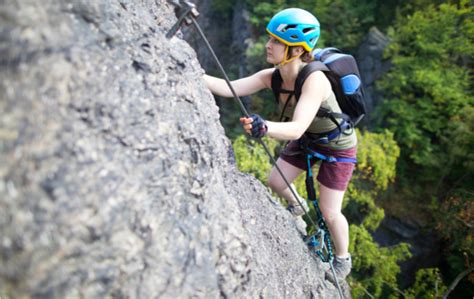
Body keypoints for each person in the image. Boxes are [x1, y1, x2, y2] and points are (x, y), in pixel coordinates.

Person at [203, 8, 356, 284]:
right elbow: (230, 88)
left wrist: (265, 127)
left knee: (330, 211)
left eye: (276, 41)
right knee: (276, 181)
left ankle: (343, 259)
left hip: (338, 147)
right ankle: (298, 206)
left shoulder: (315, 81)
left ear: (296, 50)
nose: (268, 45)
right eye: (270, 39)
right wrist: (193, 72)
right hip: (309, 139)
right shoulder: (272, 76)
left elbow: (296, 127)